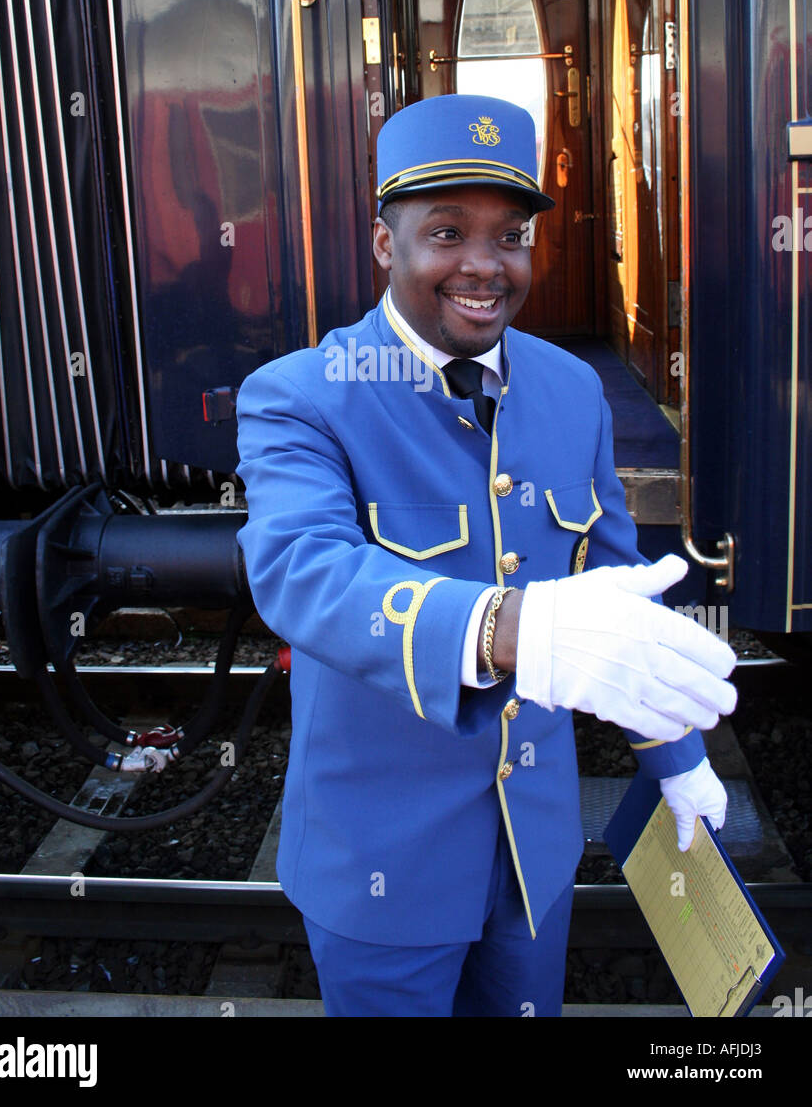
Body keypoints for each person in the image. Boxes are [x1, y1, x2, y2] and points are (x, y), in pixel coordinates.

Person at [235, 93, 737, 1017]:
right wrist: (514, 626)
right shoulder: (303, 395)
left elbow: (618, 599)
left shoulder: (572, 389)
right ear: (387, 245)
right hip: (382, 867)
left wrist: (677, 758)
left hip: (534, 854)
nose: (483, 265)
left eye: (509, 236)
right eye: (447, 232)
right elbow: (304, 573)